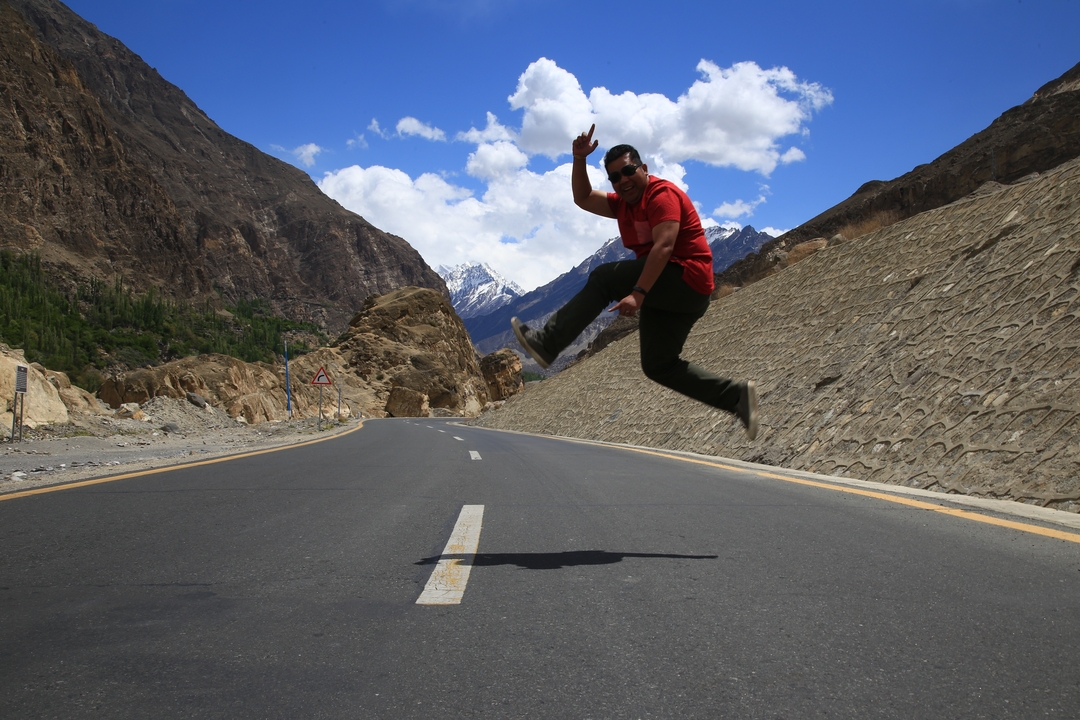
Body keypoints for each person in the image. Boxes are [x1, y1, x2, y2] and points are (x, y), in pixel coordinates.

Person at [511, 125, 759, 440]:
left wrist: (638, 293)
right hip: (668, 290)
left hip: (686, 279)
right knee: (658, 364)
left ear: (643, 168)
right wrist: (578, 159)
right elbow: (584, 197)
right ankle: (736, 397)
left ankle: (547, 342)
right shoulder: (622, 205)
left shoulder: (662, 195)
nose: (622, 180)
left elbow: (664, 247)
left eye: (628, 171)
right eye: (614, 177)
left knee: (603, 278)